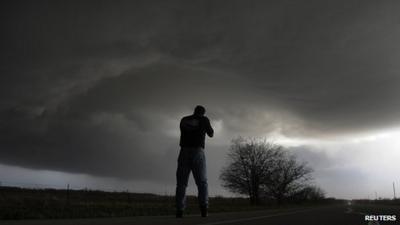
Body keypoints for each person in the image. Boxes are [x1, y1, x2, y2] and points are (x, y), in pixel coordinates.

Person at [175, 105, 214, 218]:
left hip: (184, 151)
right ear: (203, 113)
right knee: (202, 182)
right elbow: (211, 134)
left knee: (181, 183)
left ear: (194, 111)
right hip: (198, 151)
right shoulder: (204, 119)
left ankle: (179, 210)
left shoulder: (184, 119)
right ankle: (204, 209)